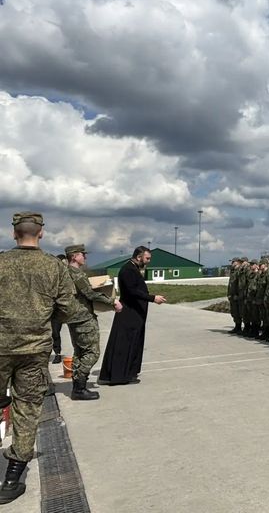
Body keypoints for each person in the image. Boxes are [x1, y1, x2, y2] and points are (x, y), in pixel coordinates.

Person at [0, 212, 76, 505]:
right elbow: (68, 309)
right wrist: (43, 318)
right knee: (27, 408)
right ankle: (11, 479)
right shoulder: (53, 267)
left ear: (14, 233)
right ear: (41, 234)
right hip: (34, 349)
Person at [98, 246, 166, 386]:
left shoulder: (133, 269)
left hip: (135, 313)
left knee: (133, 343)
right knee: (124, 344)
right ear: (139, 256)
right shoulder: (128, 270)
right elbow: (132, 292)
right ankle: (119, 376)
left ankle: (128, 372)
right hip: (129, 313)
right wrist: (152, 298)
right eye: (147, 258)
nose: (148, 261)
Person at [64, 244, 123, 400]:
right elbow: (90, 294)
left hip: (74, 317)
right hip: (83, 318)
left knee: (80, 352)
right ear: (74, 256)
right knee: (92, 352)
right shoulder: (76, 274)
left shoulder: (66, 273)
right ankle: (79, 386)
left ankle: (78, 386)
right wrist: (112, 302)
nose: (85, 257)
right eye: (82, 254)